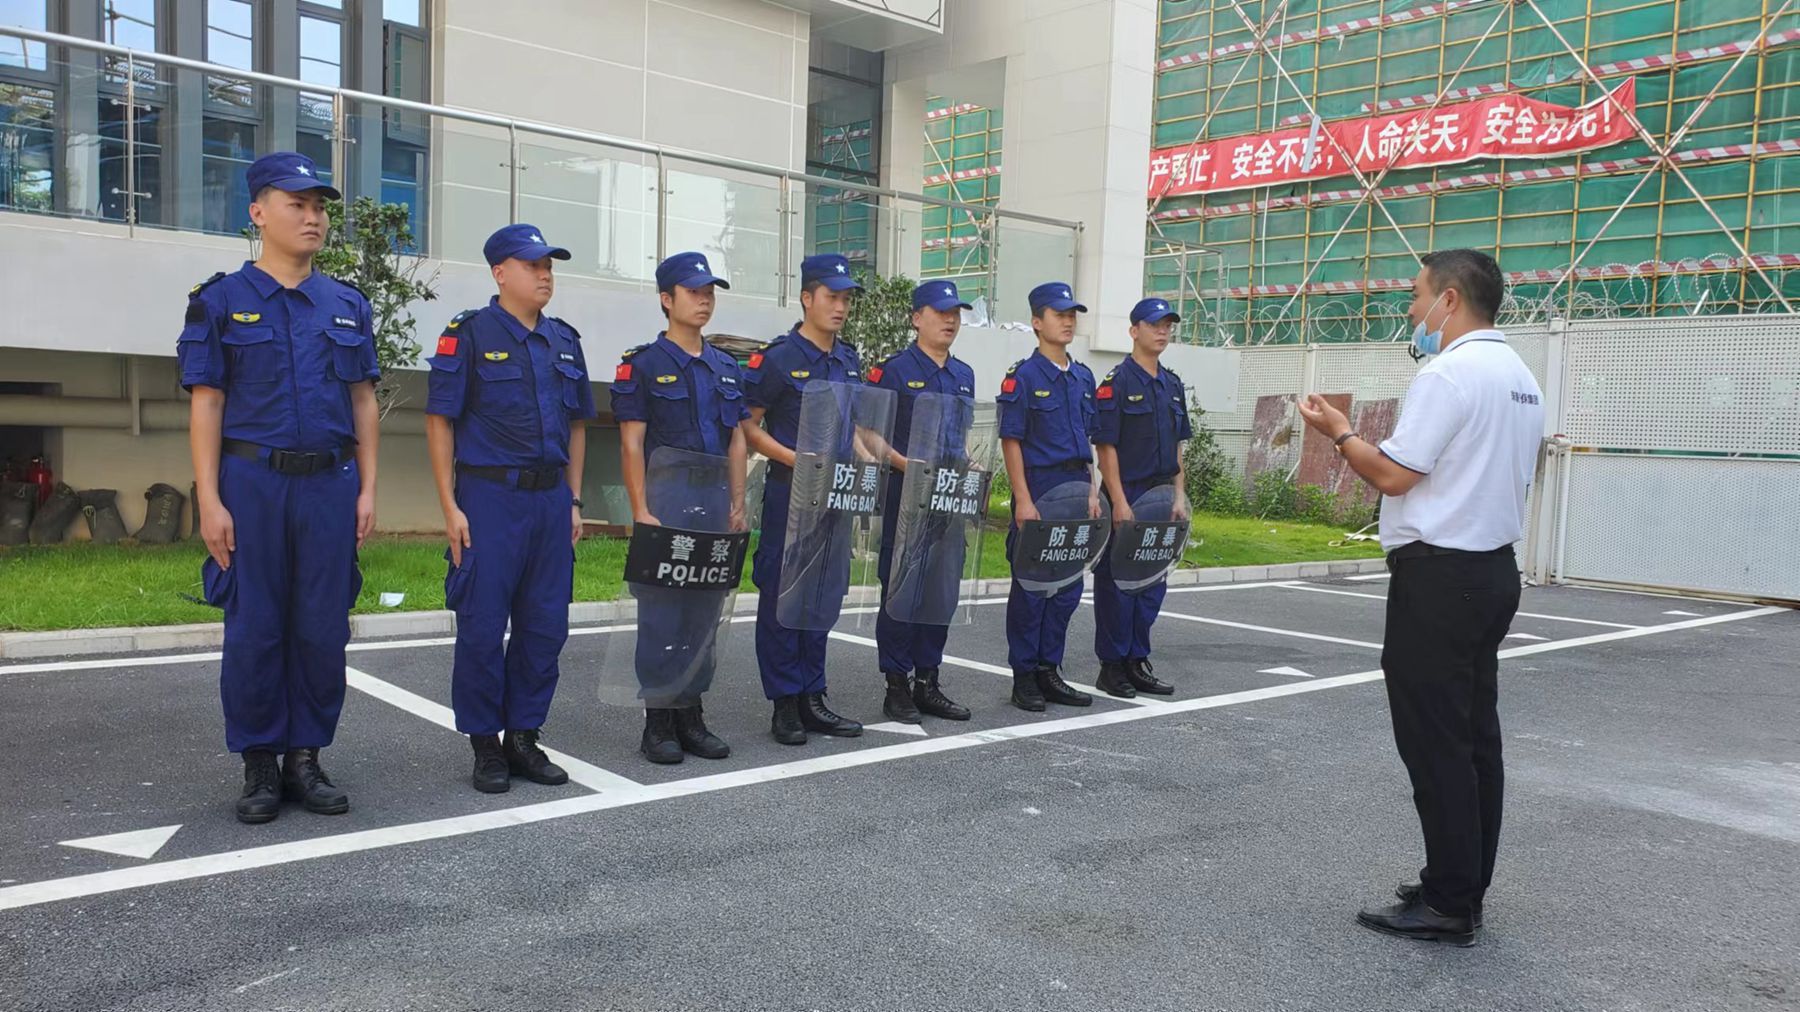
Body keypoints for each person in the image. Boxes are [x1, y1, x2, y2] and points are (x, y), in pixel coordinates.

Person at [1298, 248, 1543, 947]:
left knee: (1436, 741)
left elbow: (1396, 476)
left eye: (1417, 294)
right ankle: (1464, 880)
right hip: (1492, 569)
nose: (1411, 308)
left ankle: (1446, 902)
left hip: (1442, 576)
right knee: (1473, 738)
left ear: (1451, 300)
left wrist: (1338, 431)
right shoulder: (1520, 376)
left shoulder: (1450, 373)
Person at [177, 151, 379, 824]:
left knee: (322, 625)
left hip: (329, 484)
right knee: (256, 625)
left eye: (319, 205)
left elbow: (362, 401)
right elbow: (206, 402)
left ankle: (306, 758)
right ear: (258, 212)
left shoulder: (347, 304)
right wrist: (208, 498)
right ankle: (260, 764)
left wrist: (368, 488)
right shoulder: (221, 301)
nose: (313, 216)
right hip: (252, 483)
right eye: (297, 204)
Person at [424, 223, 594, 794]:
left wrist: (572, 498)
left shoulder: (564, 340)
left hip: (549, 501)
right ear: (501, 272)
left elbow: (576, 427)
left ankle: (524, 737)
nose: (545, 274)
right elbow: (440, 419)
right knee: (481, 626)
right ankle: (485, 745)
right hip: (489, 498)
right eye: (532, 265)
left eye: (549, 264)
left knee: (545, 626)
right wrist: (450, 505)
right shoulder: (469, 334)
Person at [610, 251, 747, 764]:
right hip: (667, 499)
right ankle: (659, 719)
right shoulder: (643, 365)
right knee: (663, 614)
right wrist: (640, 508)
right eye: (694, 291)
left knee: (704, 614)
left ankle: (692, 713)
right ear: (667, 300)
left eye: (710, 291)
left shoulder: (726, 368)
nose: (705, 299)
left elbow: (736, 442)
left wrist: (738, 503)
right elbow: (630, 445)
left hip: (712, 500)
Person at [743, 253, 867, 744]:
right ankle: (785, 702)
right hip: (791, 493)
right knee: (782, 594)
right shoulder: (778, 359)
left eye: (845, 299)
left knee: (822, 594)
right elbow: (747, 424)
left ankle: (813, 694)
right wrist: (793, 457)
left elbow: (854, 427)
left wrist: (865, 465)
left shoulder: (849, 359)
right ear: (807, 298)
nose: (839, 308)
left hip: (836, 495)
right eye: (831, 297)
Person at [867, 280, 979, 724]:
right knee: (901, 588)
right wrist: (906, 464)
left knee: (941, 589)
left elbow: (962, 438)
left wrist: (971, 465)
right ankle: (896, 686)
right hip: (907, 495)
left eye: (956, 313)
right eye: (940, 312)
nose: (950, 320)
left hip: (950, 500)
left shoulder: (964, 375)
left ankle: (927, 682)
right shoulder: (893, 371)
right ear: (917, 318)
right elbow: (868, 433)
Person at [996, 282, 1102, 712]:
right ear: (1037, 323)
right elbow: (1012, 441)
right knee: (1032, 587)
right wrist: (1022, 499)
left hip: (1077, 489)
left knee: (1066, 589)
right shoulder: (1023, 377)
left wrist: (1094, 492)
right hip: (1040, 489)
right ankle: (1024, 676)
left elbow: (1091, 440)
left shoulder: (1083, 377)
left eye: (1072, 313)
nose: (1068, 320)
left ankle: (1049, 670)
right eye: (1059, 314)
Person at [1091, 298, 1191, 698]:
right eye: (1154, 325)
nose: (1162, 331)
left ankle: (1137, 659)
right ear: (1134, 330)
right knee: (1117, 584)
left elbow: (1180, 447)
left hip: (1161, 493)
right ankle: (1112, 666)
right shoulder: (1116, 383)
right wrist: (1118, 500)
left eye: (1167, 325)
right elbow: (1106, 448)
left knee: (1152, 582)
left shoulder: (1172, 385)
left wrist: (1179, 495)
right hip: (1128, 492)